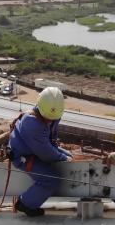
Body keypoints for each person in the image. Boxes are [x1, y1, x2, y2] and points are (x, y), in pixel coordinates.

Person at [9, 87, 72, 217]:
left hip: (36, 149)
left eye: (52, 118)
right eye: (47, 118)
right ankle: (25, 203)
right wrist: (62, 158)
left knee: (68, 156)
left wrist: (62, 154)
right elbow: (46, 154)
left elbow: (51, 138)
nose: (50, 121)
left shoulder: (52, 113)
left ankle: (30, 200)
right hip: (23, 155)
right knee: (51, 179)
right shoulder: (32, 123)